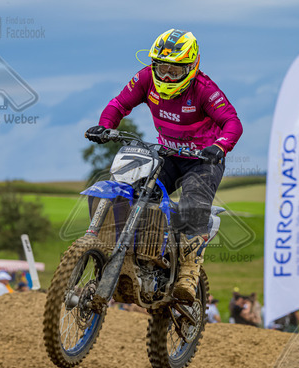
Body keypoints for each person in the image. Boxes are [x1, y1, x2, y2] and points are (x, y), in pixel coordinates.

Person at [85, 29, 243, 303]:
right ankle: (133, 255)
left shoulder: (205, 90)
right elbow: (119, 104)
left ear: (191, 67)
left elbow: (232, 122)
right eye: (162, 68)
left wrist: (219, 147)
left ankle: (188, 274)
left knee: (192, 205)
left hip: (203, 160)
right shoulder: (146, 78)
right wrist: (105, 126)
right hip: (166, 154)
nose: (167, 76)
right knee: (135, 193)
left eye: (175, 70)